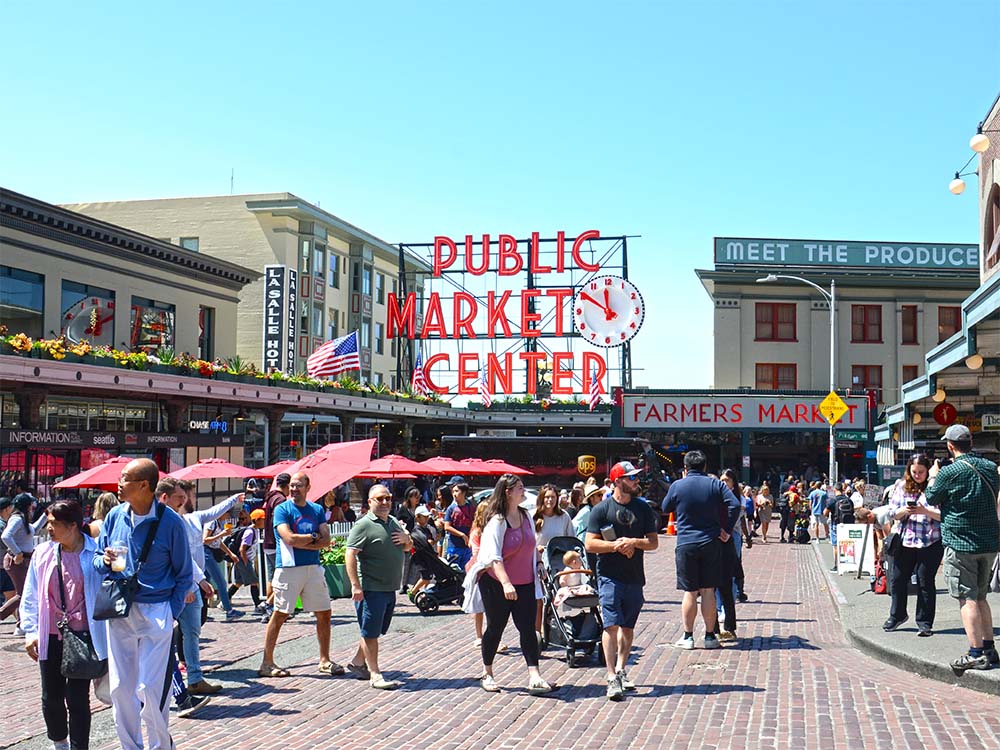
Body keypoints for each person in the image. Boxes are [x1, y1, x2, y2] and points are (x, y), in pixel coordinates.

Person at [96, 459, 193, 750]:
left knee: (151, 689)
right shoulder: (114, 516)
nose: (118, 483)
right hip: (121, 608)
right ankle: (130, 747)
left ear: (143, 486)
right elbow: (97, 559)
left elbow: (184, 573)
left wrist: (170, 612)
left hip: (157, 610)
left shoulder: (172, 523)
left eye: (124, 479)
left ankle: (161, 746)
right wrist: (104, 561)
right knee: (120, 688)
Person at [21, 500, 107, 750]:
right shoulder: (43, 553)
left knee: (78, 698)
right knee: (51, 697)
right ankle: (60, 742)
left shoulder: (96, 554)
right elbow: (31, 594)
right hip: (51, 634)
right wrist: (30, 631)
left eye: (53, 524)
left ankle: (80, 746)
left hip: (83, 635)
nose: (48, 529)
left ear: (72, 526)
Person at [463, 474, 554, 695]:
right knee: (496, 627)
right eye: (520, 488)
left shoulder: (526, 516)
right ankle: (488, 672)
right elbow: (494, 556)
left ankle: (534, 675)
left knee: (528, 629)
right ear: (508, 492)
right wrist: (505, 583)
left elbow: (532, 544)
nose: (524, 491)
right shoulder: (497, 521)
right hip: (496, 583)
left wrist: (539, 563)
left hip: (525, 581)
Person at [925, 424, 1000, 674]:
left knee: (967, 599)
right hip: (988, 542)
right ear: (971, 443)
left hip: (960, 542)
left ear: (949, 445)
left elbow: (932, 498)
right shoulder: (990, 467)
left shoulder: (949, 471)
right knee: (981, 597)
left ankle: (975, 652)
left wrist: (934, 475)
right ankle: (990, 648)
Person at [164, 478, 243, 698]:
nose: (185, 500)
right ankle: (173, 684)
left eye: (185, 496)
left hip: (191, 584)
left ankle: (194, 678)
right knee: (168, 635)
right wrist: (195, 583)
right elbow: (181, 558)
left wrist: (234, 499)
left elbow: (214, 511)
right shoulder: (170, 523)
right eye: (181, 496)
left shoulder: (191, 519)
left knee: (192, 630)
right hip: (179, 586)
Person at [587, 461, 659, 702]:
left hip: (634, 576)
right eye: (631, 478)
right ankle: (610, 676)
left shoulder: (643, 509)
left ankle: (621, 669)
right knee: (611, 625)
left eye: (636, 478)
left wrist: (633, 542)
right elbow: (590, 544)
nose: (636, 482)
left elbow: (653, 542)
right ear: (618, 481)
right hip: (609, 575)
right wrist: (615, 546)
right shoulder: (601, 509)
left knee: (627, 627)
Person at [259, 471, 342, 678]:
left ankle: (324, 660)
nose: (294, 489)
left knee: (324, 612)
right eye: (292, 485)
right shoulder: (282, 509)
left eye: (299, 485)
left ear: (308, 487)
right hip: (288, 568)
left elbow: (326, 541)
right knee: (280, 614)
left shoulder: (316, 509)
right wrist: (313, 538)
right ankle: (267, 663)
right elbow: (289, 539)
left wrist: (306, 540)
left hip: (312, 567)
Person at [661, 451, 740, 653]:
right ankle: (710, 635)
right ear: (705, 467)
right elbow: (735, 504)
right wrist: (727, 530)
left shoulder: (678, 485)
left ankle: (688, 636)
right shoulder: (716, 484)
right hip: (711, 542)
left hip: (686, 542)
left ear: (685, 468)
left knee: (689, 591)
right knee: (707, 590)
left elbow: (665, 506)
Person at [343, 485, 413, 689]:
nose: (385, 502)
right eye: (380, 499)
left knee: (373, 630)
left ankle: (358, 662)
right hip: (371, 588)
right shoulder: (363, 525)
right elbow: (350, 554)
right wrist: (356, 585)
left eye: (388, 498)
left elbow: (408, 547)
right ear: (370, 501)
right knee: (371, 633)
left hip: (389, 588)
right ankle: (375, 674)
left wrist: (406, 540)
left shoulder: (392, 522)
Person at [882, 454, 942, 636]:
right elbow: (891, 512)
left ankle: (924, 622)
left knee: (925, 580)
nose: (917, 475)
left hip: (930, 540)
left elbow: (944, 515)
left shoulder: (935, 486)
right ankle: (897, 615)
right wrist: (904, 511)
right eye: (914, 472)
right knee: (898, 579)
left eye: (921, 472)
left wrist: (924, 511)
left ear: (928, 470)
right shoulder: (901, 485)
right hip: (906, 539)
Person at [533, 483, 576, 638]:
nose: (549, 500)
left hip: (556, 561)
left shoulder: (563, 516)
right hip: (537, 562)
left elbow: (571, 539)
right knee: (538, 599)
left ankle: (549, 624)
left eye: (552, 497)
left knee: (552, 597)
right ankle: (537, 632)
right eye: (546, 497)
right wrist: (538, 549)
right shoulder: (534, 517)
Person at [2, 493, 47, 635]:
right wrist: (18, 553)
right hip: (17, 561)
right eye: (31, 505)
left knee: (26, 592)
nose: (33, 508)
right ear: (27, 505)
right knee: (23, 594)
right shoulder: (17, 519)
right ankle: (15, 621)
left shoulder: (22, 519)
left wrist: (46, 515)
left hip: (23, 560)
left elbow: (35, 529)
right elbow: (5, 536)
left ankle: (21, 624)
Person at [260, 472, 290, 623]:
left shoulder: (270, 497)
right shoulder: (280, 499)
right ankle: (269, 604)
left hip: (267, 542)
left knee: (272, 578)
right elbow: (279, 521)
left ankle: (269, 609)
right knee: (283, 577)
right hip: (276, 542)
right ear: (286, 486)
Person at [201, 510, 242, 619]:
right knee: (221, 582)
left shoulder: (219, 524)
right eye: (227, 513)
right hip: (206, 552)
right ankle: (228, 611)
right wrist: (222, 534)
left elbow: (219, 542)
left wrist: (230, 553)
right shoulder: (211, 523)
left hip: (210, 552)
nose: (228, 516)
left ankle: (202, 613)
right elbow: (204, 540)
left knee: (204, 582)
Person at [229, 509, 266, 611]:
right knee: (254, 582)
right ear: (257, 520)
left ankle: (225, 600)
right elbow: (242, 548)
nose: (264, 522)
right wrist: (246, 562)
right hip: (244, 560)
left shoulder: (254, 531)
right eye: (263, 519)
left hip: (242, 559)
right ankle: (257, 605)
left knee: (238, 582)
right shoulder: (250, 532)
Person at [407, 506, 437, 602]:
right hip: (420, 558)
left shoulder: (426, 529)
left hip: (427, 557)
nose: (427, 519)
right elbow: (427, 542)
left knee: (428, 577)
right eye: (424, 517)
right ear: (418, 517)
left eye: (427, 517)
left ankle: (426, 593)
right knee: (425, 577)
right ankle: (413, 592)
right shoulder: (416, 530)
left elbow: (431, 540)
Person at [443, 480, 475, 569]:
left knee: (466, 571)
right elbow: (447, 527)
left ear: (464, 493)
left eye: (457, 491)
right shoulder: (451, 508)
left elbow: (475, 524)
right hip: (454, 546)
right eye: (453, 491)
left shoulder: (471, 508)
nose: (454, 494)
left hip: (467, 547)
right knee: (453, 570)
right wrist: (461, 535)